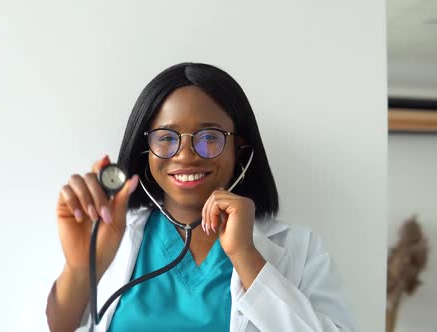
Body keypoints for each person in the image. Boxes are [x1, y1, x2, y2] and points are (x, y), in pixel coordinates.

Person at [45, 63, 357, 331]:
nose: (186, 155)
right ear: (145, 151)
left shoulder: (300, 250)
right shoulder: (112, 234)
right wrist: (79, 268)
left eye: (209, 138)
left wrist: (246, 256)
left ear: (240, 150)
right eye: (166, 138)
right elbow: (60, 326)